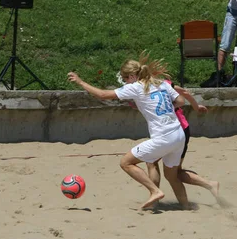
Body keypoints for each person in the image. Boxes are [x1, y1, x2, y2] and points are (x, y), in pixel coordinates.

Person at [67, 52, 191, 211]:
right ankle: (187, 208)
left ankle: (155, 191)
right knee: (172, 177)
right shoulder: (161, 83)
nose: (125, 82)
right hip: (179, 135)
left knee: (126, 162)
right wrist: (161, 109)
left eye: (125, 79)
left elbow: (103, 95)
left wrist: (81, 82)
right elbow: (181, 101)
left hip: (164, 137)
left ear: (132, 76)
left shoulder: (136, 87)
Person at [143, 80, 221, 204]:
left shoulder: (160, 84)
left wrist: (195, 107)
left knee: (155, 164)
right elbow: (183, 92)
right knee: (172, 172)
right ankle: (190, 200)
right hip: (178, 130)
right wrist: (196, 107)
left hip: (173, 130)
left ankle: (155, 200)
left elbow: (182, 92)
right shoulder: (153, 85)